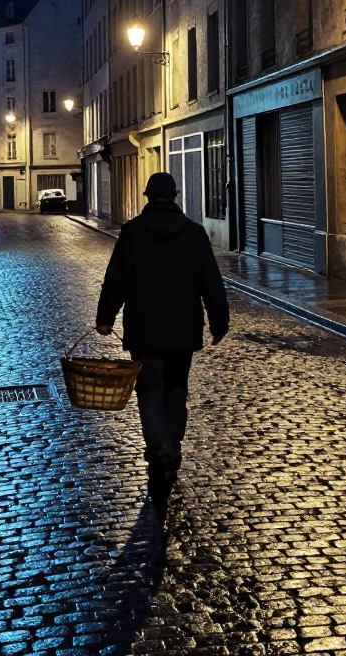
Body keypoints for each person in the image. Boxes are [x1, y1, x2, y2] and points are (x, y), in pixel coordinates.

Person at [96, 171, 229, 511]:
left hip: (144, 329)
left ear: (147, 197)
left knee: (150, 391)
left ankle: (161, 450)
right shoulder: (194, 234)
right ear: (175, 196)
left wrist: (106, 317)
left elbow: (117, 279)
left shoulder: (133, 233)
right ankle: (171, 443)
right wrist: (219, 321)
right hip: (183, 330)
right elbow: (210, 281)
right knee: (176, 389)